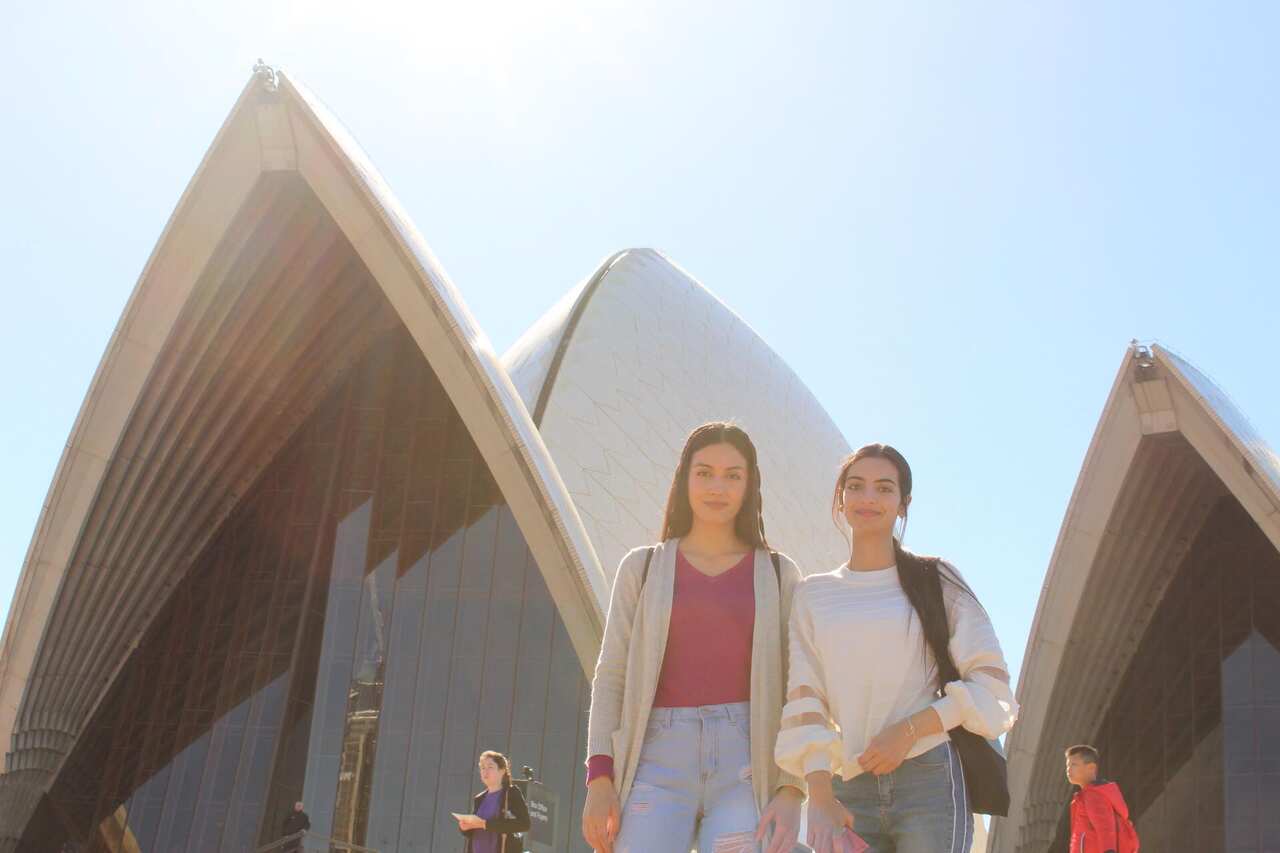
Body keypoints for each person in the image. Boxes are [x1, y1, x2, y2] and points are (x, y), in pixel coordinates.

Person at [776, 443, 1018, 853]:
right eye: (856, 486)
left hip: (930, 778)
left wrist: (908, 732)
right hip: (848, 785)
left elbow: (990, 685)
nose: (869, 498)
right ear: (841, 499)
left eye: (884, 488)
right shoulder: (813, 595)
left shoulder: (935, 579)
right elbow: (805, 699)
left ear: (903, 504)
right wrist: (819, 795)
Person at [581, 422, 805, 853]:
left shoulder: (779, 575)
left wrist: (791, 787)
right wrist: (600, 779)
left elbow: (801, 686)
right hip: (655, 762)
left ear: (749, 484)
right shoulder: (642, 568)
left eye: (732, 475)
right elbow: (611, 677)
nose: (716, 487)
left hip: (748, 763)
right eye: (704, 472)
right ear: (684, 478)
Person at [1065, 744, 1138, 853]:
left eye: (1074, 764)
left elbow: (1105, 828)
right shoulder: (1089, 795)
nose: (1068, 769)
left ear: (1091, 768)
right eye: (1067, 765)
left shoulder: (1093, 795)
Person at [455, 750, 531, 853]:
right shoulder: (479, 798)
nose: (485, 771)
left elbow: (524, 824)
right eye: (482, 768)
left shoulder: (511, 793)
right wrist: (465, 828)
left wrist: (485, 824)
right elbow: (473, 833)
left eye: (490, 767)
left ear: (502, 770)